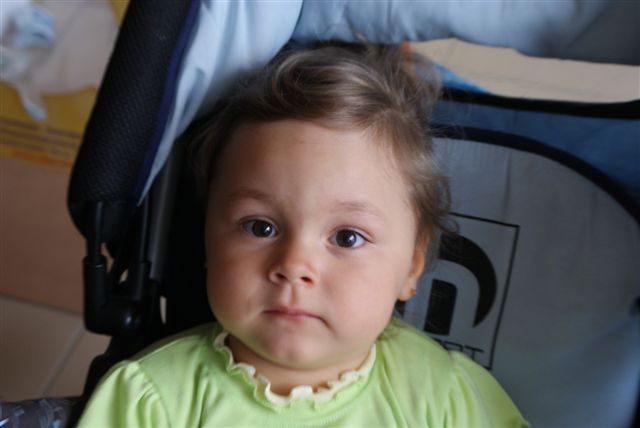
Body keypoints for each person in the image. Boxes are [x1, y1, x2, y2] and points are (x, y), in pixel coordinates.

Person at [77, 43, 527, 427]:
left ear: (412, 264)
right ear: (208, 240)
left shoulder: (444, 396)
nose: (293, 265)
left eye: (347, 238)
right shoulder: (150, 399)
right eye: (261, 227)